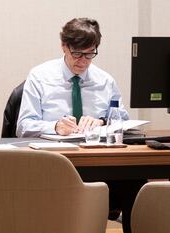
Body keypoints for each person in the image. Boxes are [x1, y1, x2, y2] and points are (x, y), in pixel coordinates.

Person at [16, 17, 144, 233]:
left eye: (90, 54)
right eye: (77, 54)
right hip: (54, 164)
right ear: (64, 46)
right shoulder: (40, 77)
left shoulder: (105, 81)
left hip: (98, 162)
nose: (83, 61)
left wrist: (102, 121)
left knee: (135, 180)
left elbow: (123, 121)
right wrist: (55, 126)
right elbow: (23, 126)